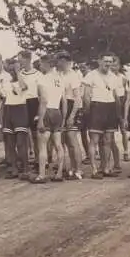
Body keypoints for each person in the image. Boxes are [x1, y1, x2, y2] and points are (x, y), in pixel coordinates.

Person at [83, 53, 123, 179]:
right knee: (94, 140)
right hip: (96, 107)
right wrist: (88, 112)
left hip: (110, 107)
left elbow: (116, 96)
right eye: (105, 61)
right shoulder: (91, 75)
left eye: (110, 62)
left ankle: (105, 168)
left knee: (108, 140)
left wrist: (119, 114)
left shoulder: (114, 77)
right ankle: (94, 169)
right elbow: (86, 96)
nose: (108, 64)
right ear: (99, 61)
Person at [33, 55, 67, 183]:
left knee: (42, 145)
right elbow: (64, 101)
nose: (40, 66)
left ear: (47, 64)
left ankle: (42, 175)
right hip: (57, 111)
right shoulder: (60, 79)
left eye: (41, 64)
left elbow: (44, 100)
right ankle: (58, 173)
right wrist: (63, 118)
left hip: (47, 111)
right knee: (58, 144)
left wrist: (40, 119)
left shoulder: (43, 79)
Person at [0, 57, 30, 180]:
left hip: (20, 109)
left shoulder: (23, 78)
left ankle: (26, 168)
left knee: (21, 143)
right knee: (10, 143)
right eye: (11, 69)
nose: (13, 71)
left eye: (15, 68)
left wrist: (18, 72)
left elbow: (24, 87)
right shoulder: (5, 81)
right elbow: (3, 98)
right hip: (8, 109)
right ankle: (14, 168)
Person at [56, 51, 83, 180]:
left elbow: (78, 98)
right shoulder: (60, 75)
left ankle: (78, 169)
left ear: (65, 61)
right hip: (62, 106)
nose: (58, 63)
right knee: (66, 141)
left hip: (72, 106)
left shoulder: (73, 76)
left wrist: (72, 115)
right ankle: (72, 168)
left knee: (72, 140)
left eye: (60, 61)